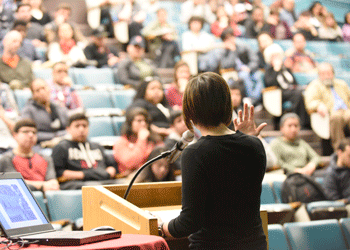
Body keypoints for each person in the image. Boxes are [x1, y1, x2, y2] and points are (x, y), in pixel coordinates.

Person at [158, 72, 267, 249]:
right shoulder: (255, 145)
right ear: (226, 104)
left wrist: (160, 228)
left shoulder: (195, 152)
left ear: (190, 109)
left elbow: (189, 223)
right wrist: (246, 138)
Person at [52, 113, 118, 190]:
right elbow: (59, 172)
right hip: (77, 184)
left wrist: (108, 174)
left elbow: (111, 166)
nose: (81, 129)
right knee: (94, 187)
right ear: (68, 129)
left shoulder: (97, 146)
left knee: (125, 184)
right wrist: (85, 175)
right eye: (77, 126)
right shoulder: (61, 147)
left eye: (84, 126)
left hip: (103, 180)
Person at [0, 119, 59, 191]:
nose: (31, 135)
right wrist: (42, 186)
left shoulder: (46, 158)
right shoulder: (7, 159)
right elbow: (15, 183)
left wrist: (51, 185)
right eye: (25, 132)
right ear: (15, 135)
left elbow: (52, 181)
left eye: (34, 132)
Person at [304, 63, 350, 150]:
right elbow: (310, 102)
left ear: (333, 74)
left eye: (328, 73)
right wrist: (319, 105)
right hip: (331, 112)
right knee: (337, 117)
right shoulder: (314, 85)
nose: (326, 76)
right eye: (323, 73)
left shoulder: (341, 84)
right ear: (319, 75)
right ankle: (340, 149)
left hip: (346, 110)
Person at [264, 43, 310, 129]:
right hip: (279, 93)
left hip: (292, 90)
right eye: (273, 56)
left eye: (277, 55)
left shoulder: (286, 69)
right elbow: (270, 84)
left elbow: (294, 83)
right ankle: (301, 122)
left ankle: (306, 122)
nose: (276, 58)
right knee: (298, 94)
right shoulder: (269, 70)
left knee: (304, 91)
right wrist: (276, 70)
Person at [113, 107, 159, 176]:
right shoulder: (121, 142)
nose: (143, 124)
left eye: (146, 121)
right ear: (130, 123)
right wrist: (142, 139)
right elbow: (131, 163)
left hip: (152, 178)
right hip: (129, 180)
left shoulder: (153, 140)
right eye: (139, 121)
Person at [21, 78, 68, 144]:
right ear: (33, 94)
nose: (42, 92)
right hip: (41, 144)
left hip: (62, 141)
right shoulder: (28, 110)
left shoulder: (57, 106)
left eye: (43, 88)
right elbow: (28, 133)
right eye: (38, 90)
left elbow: (68, 127)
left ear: (49, 88)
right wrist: (55, 136)